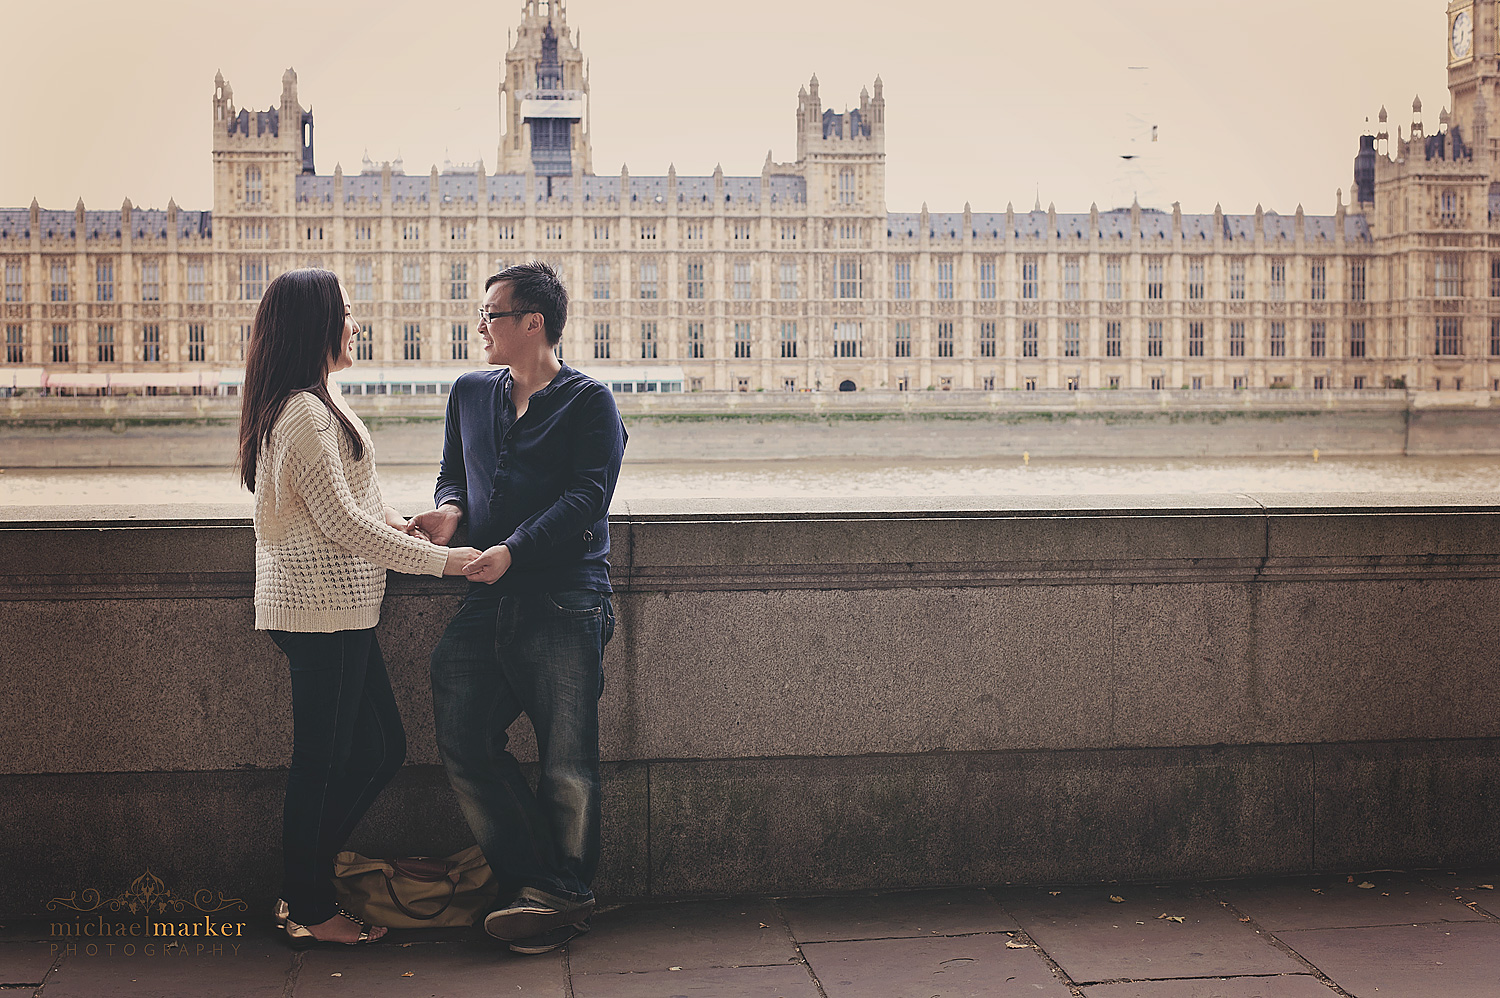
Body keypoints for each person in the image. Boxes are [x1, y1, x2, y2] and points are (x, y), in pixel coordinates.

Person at [239, 268, 480, 948]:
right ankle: (309, 906)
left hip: (337, 608)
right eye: (346, 314)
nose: (356, 324)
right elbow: (342, 524)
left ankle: (309, 875)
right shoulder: (306, 413)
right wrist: (453, 562)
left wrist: (405, 523)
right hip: (319, 612)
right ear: (316, 325)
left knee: (380, 748)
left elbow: (353, 501)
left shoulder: (311, 402)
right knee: (321, 762)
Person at [406, 261, 626, 956]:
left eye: (492, 314)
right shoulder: (469, 392)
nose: (480, 326)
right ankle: (545, 888)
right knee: (464, 736)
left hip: (565, 596)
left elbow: (588, 497)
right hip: (487, 591)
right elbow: (453, 473)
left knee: (568, 761)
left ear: (533, 322)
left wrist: (512, 548)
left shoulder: (590, 402)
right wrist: (449, 514)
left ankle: (554, 894)